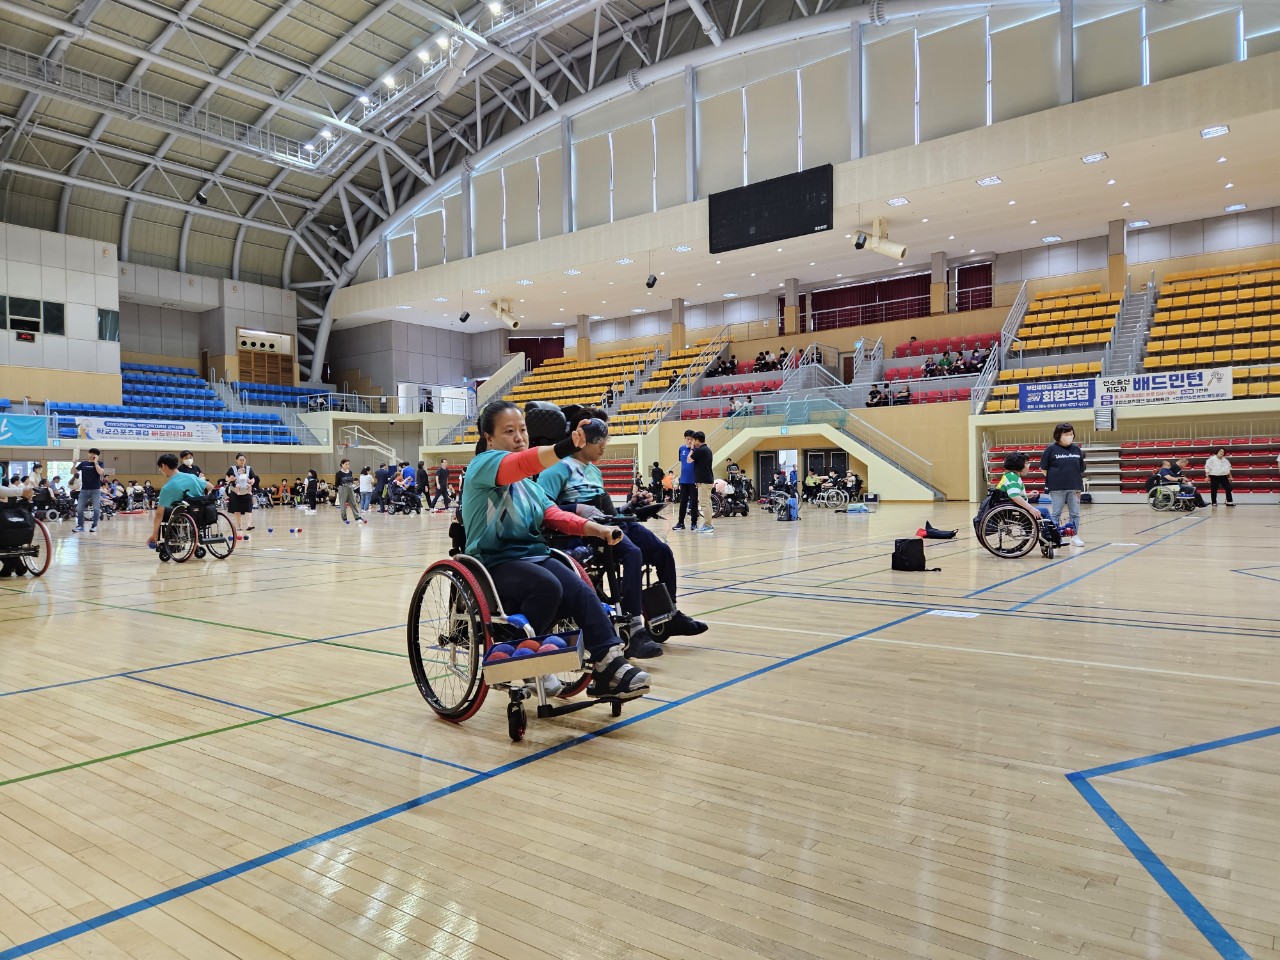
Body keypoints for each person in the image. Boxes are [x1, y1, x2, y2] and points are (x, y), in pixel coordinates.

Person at [465, 400, 651, 699]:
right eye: (509, 431)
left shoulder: (529, 485)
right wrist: (567, 445)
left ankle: (609, 664)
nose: (519, 437)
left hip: (533, 556)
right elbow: (523, 462)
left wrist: (598, 529)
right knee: (547, 585)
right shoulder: (483, 465)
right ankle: (525, 657)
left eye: (522, 430)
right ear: (489, 437)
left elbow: (554, 514)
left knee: (580, 588)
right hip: (493, 562)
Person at [538, 414, 706, 655]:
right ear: (582, 442)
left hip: (610, 521)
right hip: (585, 530)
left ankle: (668, 615)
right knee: (632, 553)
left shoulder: (593, 471)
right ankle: (634, 627)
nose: (604, 447)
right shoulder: (557, 469)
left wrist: (632, 505)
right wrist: (576, 508)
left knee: (662, 551)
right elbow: (543, 509)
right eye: (600, 442)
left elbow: (606, 511)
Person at [148, 453, 212, 549]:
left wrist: (154, 534)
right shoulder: (192, 477)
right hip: (200, 513)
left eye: (160, 468)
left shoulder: (167, 487)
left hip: (184, 514)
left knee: (166, 512)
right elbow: (210, 487)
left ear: (164, 466)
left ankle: (173, 539)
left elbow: (159, 514)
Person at [1040, 423, 1085, 546]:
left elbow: (1081, 468)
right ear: (1059, 435)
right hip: (1057, 488)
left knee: (1075, 513)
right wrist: (1055, 479)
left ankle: (1074, 536)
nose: (1069, 436)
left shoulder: (1076, 449)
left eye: (1071, 434)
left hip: (1074, 487)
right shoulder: (1051, 449)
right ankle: (1055, 537)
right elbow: (1044, 468)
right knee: (1056, 513)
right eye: (1066, 434)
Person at [72, 447, 107, 533]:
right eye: (90, 453)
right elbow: (72, 472)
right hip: (84, 490)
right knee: (79, 508)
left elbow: (100, 472)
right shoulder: (83, 463)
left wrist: (96, 462)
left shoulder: (100, 463)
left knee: (96, 509)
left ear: (97, 456)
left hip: (95, 490)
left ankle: (94, 526)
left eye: (94, 454)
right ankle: (80, 526)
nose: (91, 455)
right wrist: (74, 463)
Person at [996, 452, 1037, 518]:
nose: (1029, 466)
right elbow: (1014, 496)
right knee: (1045, 511)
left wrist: (1027, 495)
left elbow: (1009, 494)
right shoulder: (1013, 478)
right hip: (1015, 511)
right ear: (1019, 465)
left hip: (1008, 508)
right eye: (1027, 463)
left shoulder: (1009, 475)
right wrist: (1031, 509)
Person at [673, 429, 698, 531]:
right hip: (683, 480)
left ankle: (694, 523)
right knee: (682, 502)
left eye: (691, 439)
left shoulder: (696, 450)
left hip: (694, 481)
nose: (689, 441)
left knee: (694, 502)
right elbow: (683, 463)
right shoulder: (681, 449)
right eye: (687, 439)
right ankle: (680, 522)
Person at [225, 454, 257, 535]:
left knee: (248, 508)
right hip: (236, 491)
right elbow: (227, 478)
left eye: (243, 459)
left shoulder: (248, 468)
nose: (242, 461)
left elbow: (253, 478)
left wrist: (252, 481)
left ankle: (248, 525)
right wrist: (230, 479)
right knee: (237, 509)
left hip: (246, 490)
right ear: (236, 460)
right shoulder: (232, 468)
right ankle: (240, 526)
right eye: (240, 459)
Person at [691, 431, 714, 534]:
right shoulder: (707, 450)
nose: (693, 442)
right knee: (708, 503)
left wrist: (692, 449)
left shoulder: (700, 450)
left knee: (704, 503)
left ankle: (708, 525)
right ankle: (709, 524)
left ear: (697, 440)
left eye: (693, 440)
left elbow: (688, 459)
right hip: (708, 480)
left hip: (703, 481)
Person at [335, 459, 366, 524]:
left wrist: (352, 486)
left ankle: (357, 517)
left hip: (350, 488)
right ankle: (344, 518)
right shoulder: (338, 473)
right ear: (342, 464)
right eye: (346, 464)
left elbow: (351, 481)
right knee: (343, 504)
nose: (347, 465)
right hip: (342, 489)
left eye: (348, 464)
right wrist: (340, 490)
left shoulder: (350, 472)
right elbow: (336, 484)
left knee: (353, 503)